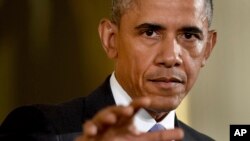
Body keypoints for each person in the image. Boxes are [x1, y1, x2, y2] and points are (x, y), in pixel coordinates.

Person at [0, 0, 217, 140]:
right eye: (150, 32)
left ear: (207, 48)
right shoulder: (40, 128)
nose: (170, 57)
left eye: (189, 36)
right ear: (111, 40)